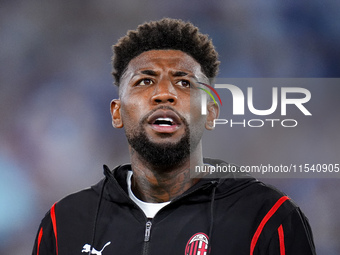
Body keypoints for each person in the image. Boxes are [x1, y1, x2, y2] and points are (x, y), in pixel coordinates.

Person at [32, 18, 316, 255]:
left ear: (211, 112)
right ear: (117, 113)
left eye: (183, 82)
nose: (164, 94)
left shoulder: (269, 219)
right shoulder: (64, 223)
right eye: (145, 81)